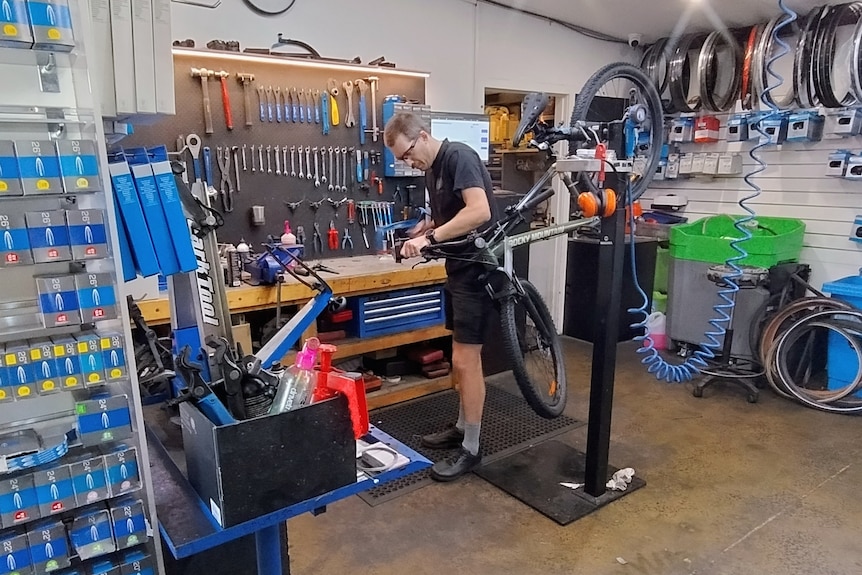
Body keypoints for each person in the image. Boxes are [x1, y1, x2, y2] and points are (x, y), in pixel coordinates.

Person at [384, 112, 500, 481]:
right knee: (460, 358)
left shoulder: (459, 157)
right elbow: (450, 213)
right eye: (402, 160)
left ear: (422, 136)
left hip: (478, 270)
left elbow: (479, 211)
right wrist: (424, 227)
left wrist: (429, 240)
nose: (408, 163)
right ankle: (463, 427)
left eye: (407, 155)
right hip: (458, 269)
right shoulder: (433, 171)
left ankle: (473, 448)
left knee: (467, 361)